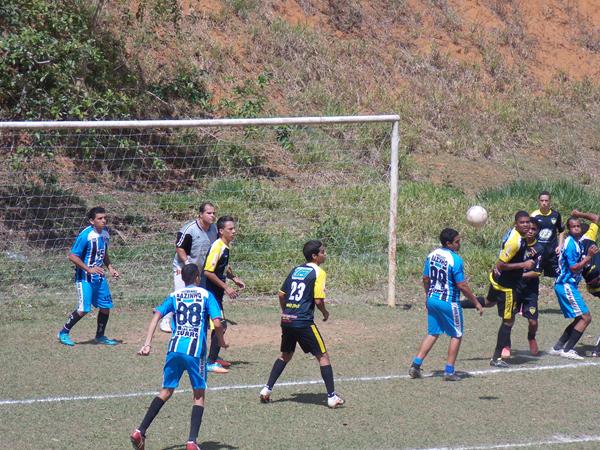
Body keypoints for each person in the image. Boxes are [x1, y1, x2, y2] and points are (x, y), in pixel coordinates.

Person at [130, 264, 227, 450]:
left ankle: (140, 431)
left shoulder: (174, 295)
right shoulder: (206, 295)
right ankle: (191, 442)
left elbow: (156, 316)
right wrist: (221, 341)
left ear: (182, 279)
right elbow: (217, 323)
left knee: (166, 391)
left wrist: (147, 343)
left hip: (174, 348)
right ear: (197, 278)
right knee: (199, 395)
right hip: (195, 351)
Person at [258, 240, 344, 408]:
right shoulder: (319, 272)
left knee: (285, 355)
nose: (325, 254)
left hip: (287, 320)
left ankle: (266, 389)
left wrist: (286, 311)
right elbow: (318, 300)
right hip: (303, 321)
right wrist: (325, 313)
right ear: (315, 256)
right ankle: (332, 397)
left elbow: (281, 294)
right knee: (323, 356)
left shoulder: (296, 269)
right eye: (323, 252)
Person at [408, 228, 483, 381]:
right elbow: (462, 285)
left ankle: (415, 366)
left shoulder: (432, 255)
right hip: (449, 302)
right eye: (457, 242)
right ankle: (449, 371)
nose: (459, 244)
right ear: (448, 244)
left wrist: (428, 295)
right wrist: (476, 302)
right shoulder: (455, 260)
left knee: (433, 332)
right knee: (456, 334)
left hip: (432, 299)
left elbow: (425, 278)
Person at [57, 207, 120, 346]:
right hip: (84, 278)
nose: (104, 220)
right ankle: (63, 332)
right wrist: (89, 269)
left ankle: (100, 336)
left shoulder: (105, 233)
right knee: (84, 309)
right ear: (92, 221)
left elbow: (103, 252)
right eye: (100, 218)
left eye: (105, 218)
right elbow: (72, 256)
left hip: (99, 278)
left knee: (105, 307)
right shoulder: (86, 235)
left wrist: (110, 268)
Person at [487, 211, 535, 368]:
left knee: (488, 302)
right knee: (508, 321)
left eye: (527, 222)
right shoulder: (515, 241)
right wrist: (524, 264)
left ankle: (457, 303)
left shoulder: (517, 235)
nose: (526, 225)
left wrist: (526, 253)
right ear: (516, 224)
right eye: (522, 222)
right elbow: (501, 264)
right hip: (507, 286)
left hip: (497, 279)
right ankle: (496, 358)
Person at [160, 202, 218, 333]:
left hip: (201, 269)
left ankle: (198, 320)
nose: (212, 215)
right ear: (200, 214)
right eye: (209, 213)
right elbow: (179, 248)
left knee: (199, 295)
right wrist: (187, 264)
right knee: (180, 294)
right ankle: (166, 320)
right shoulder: (189, 229)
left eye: (214, 213)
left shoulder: (214, 229)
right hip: (183, 267)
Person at [549, 211, 599, 359]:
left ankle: (557, 347)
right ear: (569, 229)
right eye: (573, 226)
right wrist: (589, 257)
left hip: (568, 286)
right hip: (565, 285)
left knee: (579, 318)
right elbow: (573, 268)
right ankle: (567, 350)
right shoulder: (571, 244)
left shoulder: (578, 243)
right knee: (586, 318)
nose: (577, 228)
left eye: (578, 226)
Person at [201, 215, 245, 373]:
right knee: (220, 325)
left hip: (216, 293)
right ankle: (210, 362)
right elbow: (208, 271)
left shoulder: (224, 246)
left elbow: (222, 266)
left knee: (217, 326)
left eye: (234, 228)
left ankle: (213, 357)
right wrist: (227, 287)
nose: (234, 231)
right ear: (221, 231)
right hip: (210, 293)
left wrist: (234, 278)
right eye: (230, 229)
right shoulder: (217, 246)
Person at [514, 220, 544, 356]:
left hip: (530, 290)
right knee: (508, 318)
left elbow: (536, 272)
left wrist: (518, 274)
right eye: (529, 228)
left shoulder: (539, 248)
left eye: (534, 229)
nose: (530, 231)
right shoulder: (517, 243)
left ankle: (531, 338)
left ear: (537, 231)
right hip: (514, 288)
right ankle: (505, 344)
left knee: (533, 321)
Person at [530, 191, 564, 277]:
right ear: (538, 201)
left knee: (557, 276)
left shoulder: (556, 215)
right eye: (542, 200)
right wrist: (530, 246)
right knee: (534, 274)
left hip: (552, 251)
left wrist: (560, 246)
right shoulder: (534, 215)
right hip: (538, 250)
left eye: (546, 200)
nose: (544, 203)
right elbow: (529, 232)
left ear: (550, 201)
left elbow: (561, 231)